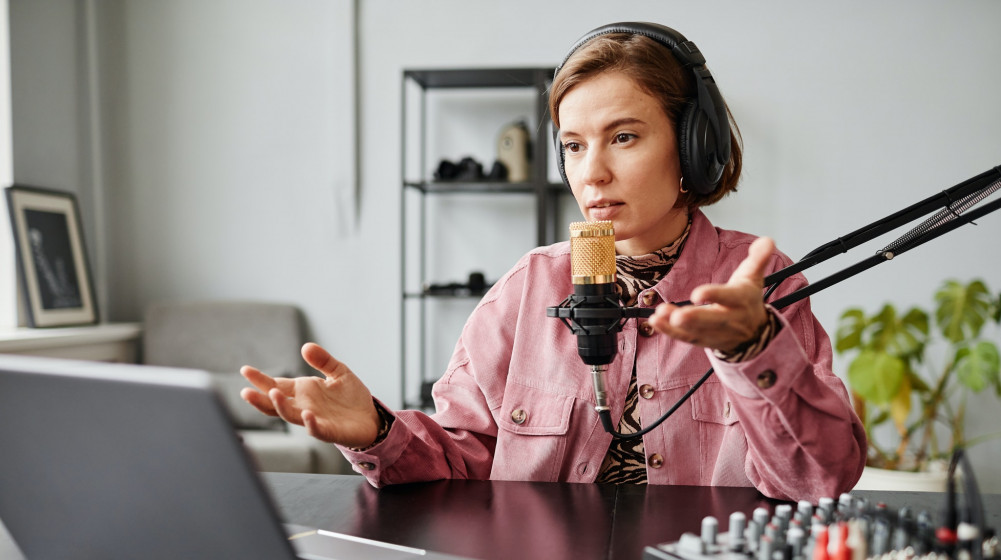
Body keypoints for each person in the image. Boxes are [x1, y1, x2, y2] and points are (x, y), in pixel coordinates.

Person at [241, 22, 866, 502]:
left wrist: (754, 349)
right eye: (573, 145)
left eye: (624, 137)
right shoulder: (528, 285)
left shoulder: (753, 283)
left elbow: (818, 480)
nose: (591, 173)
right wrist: (378, 430)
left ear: (693, 147)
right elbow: (463, 461)